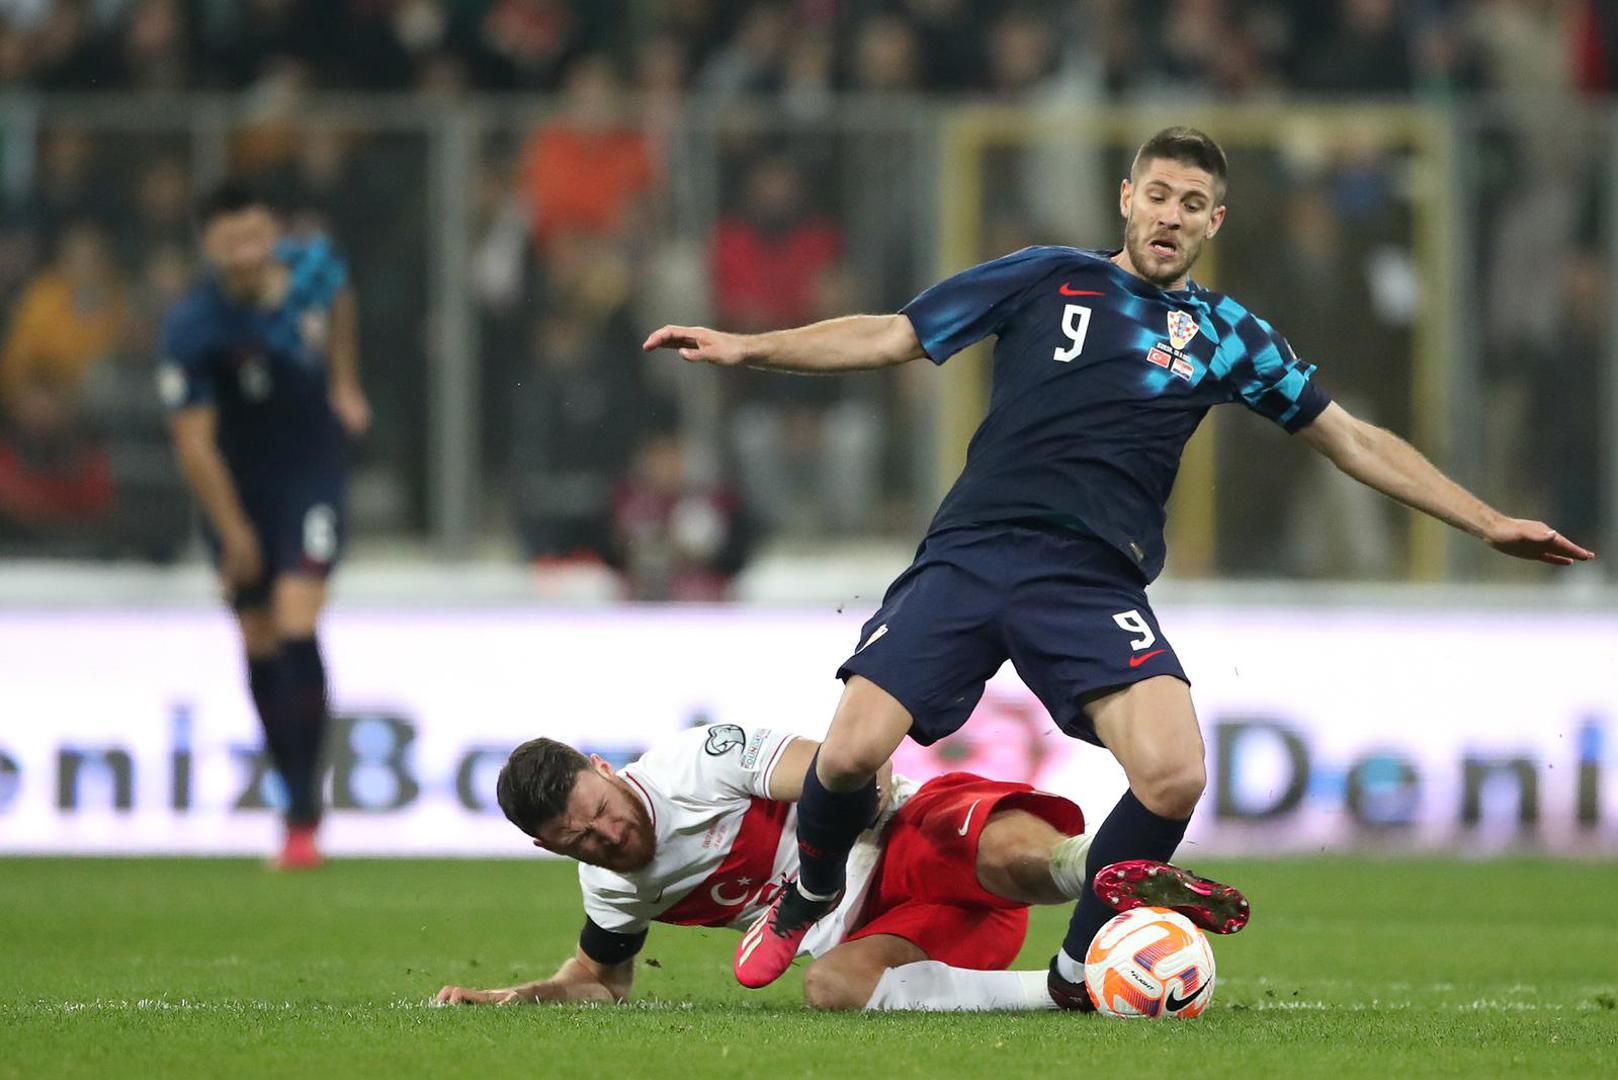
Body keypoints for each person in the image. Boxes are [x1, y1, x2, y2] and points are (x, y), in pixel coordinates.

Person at [642, 126, 1595, 1007]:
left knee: (1174, 774)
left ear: (1214, 222)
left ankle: (1074, 972)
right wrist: (747, 347)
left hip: (1089, 582)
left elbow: (1350, 440)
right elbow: (893, 334)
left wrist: (1486, 522)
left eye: (1193, 204)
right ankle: (806, 891)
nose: (1171, 216)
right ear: (1126, 198)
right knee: (850, 752)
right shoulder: (1043, 276)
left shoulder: (1229, 336)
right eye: (1159, 196)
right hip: (974, 552)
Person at [436, 724, 1203, 1012]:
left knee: (1003, 852)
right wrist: (525, 994)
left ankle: (1096, 871)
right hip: (897, 934)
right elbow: (601, 978)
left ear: (604, 766)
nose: (608, 837)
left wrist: (814, 875)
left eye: (601, 809)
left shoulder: (698, 762)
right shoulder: (607, 884)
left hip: (902, 837)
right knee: (829, 987)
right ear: (553, 849)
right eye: (582, 841)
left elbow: (850, 775)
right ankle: (1073, 991)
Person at [158, 183, 370, 869]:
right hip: (237, 493)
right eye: (232, 243)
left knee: (296, 620)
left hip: (313, 475)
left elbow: (341, 299)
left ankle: (306, 811)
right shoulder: (196, 327)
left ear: (271, 229)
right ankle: (293, 804)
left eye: (256, 236)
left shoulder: (313, 268)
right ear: (210, 247)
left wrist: (344, 381)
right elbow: (193, 442)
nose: (248, 254)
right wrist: (236, 532)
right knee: (256, 636)